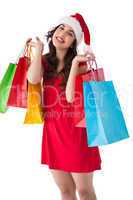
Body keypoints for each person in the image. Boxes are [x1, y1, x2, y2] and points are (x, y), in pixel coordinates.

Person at [27, 13, 102, 200]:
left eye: (70, 33)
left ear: (73, 42)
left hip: (77, 131)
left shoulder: (81, 63)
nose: (63, 33)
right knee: (65, 191)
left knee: (84, 192)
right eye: (61, 28)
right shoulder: (44, 60)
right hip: (53, 130)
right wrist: (38, 52)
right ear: (54, 31)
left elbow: (70, 97)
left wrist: (76, 65)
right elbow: (33, 79)